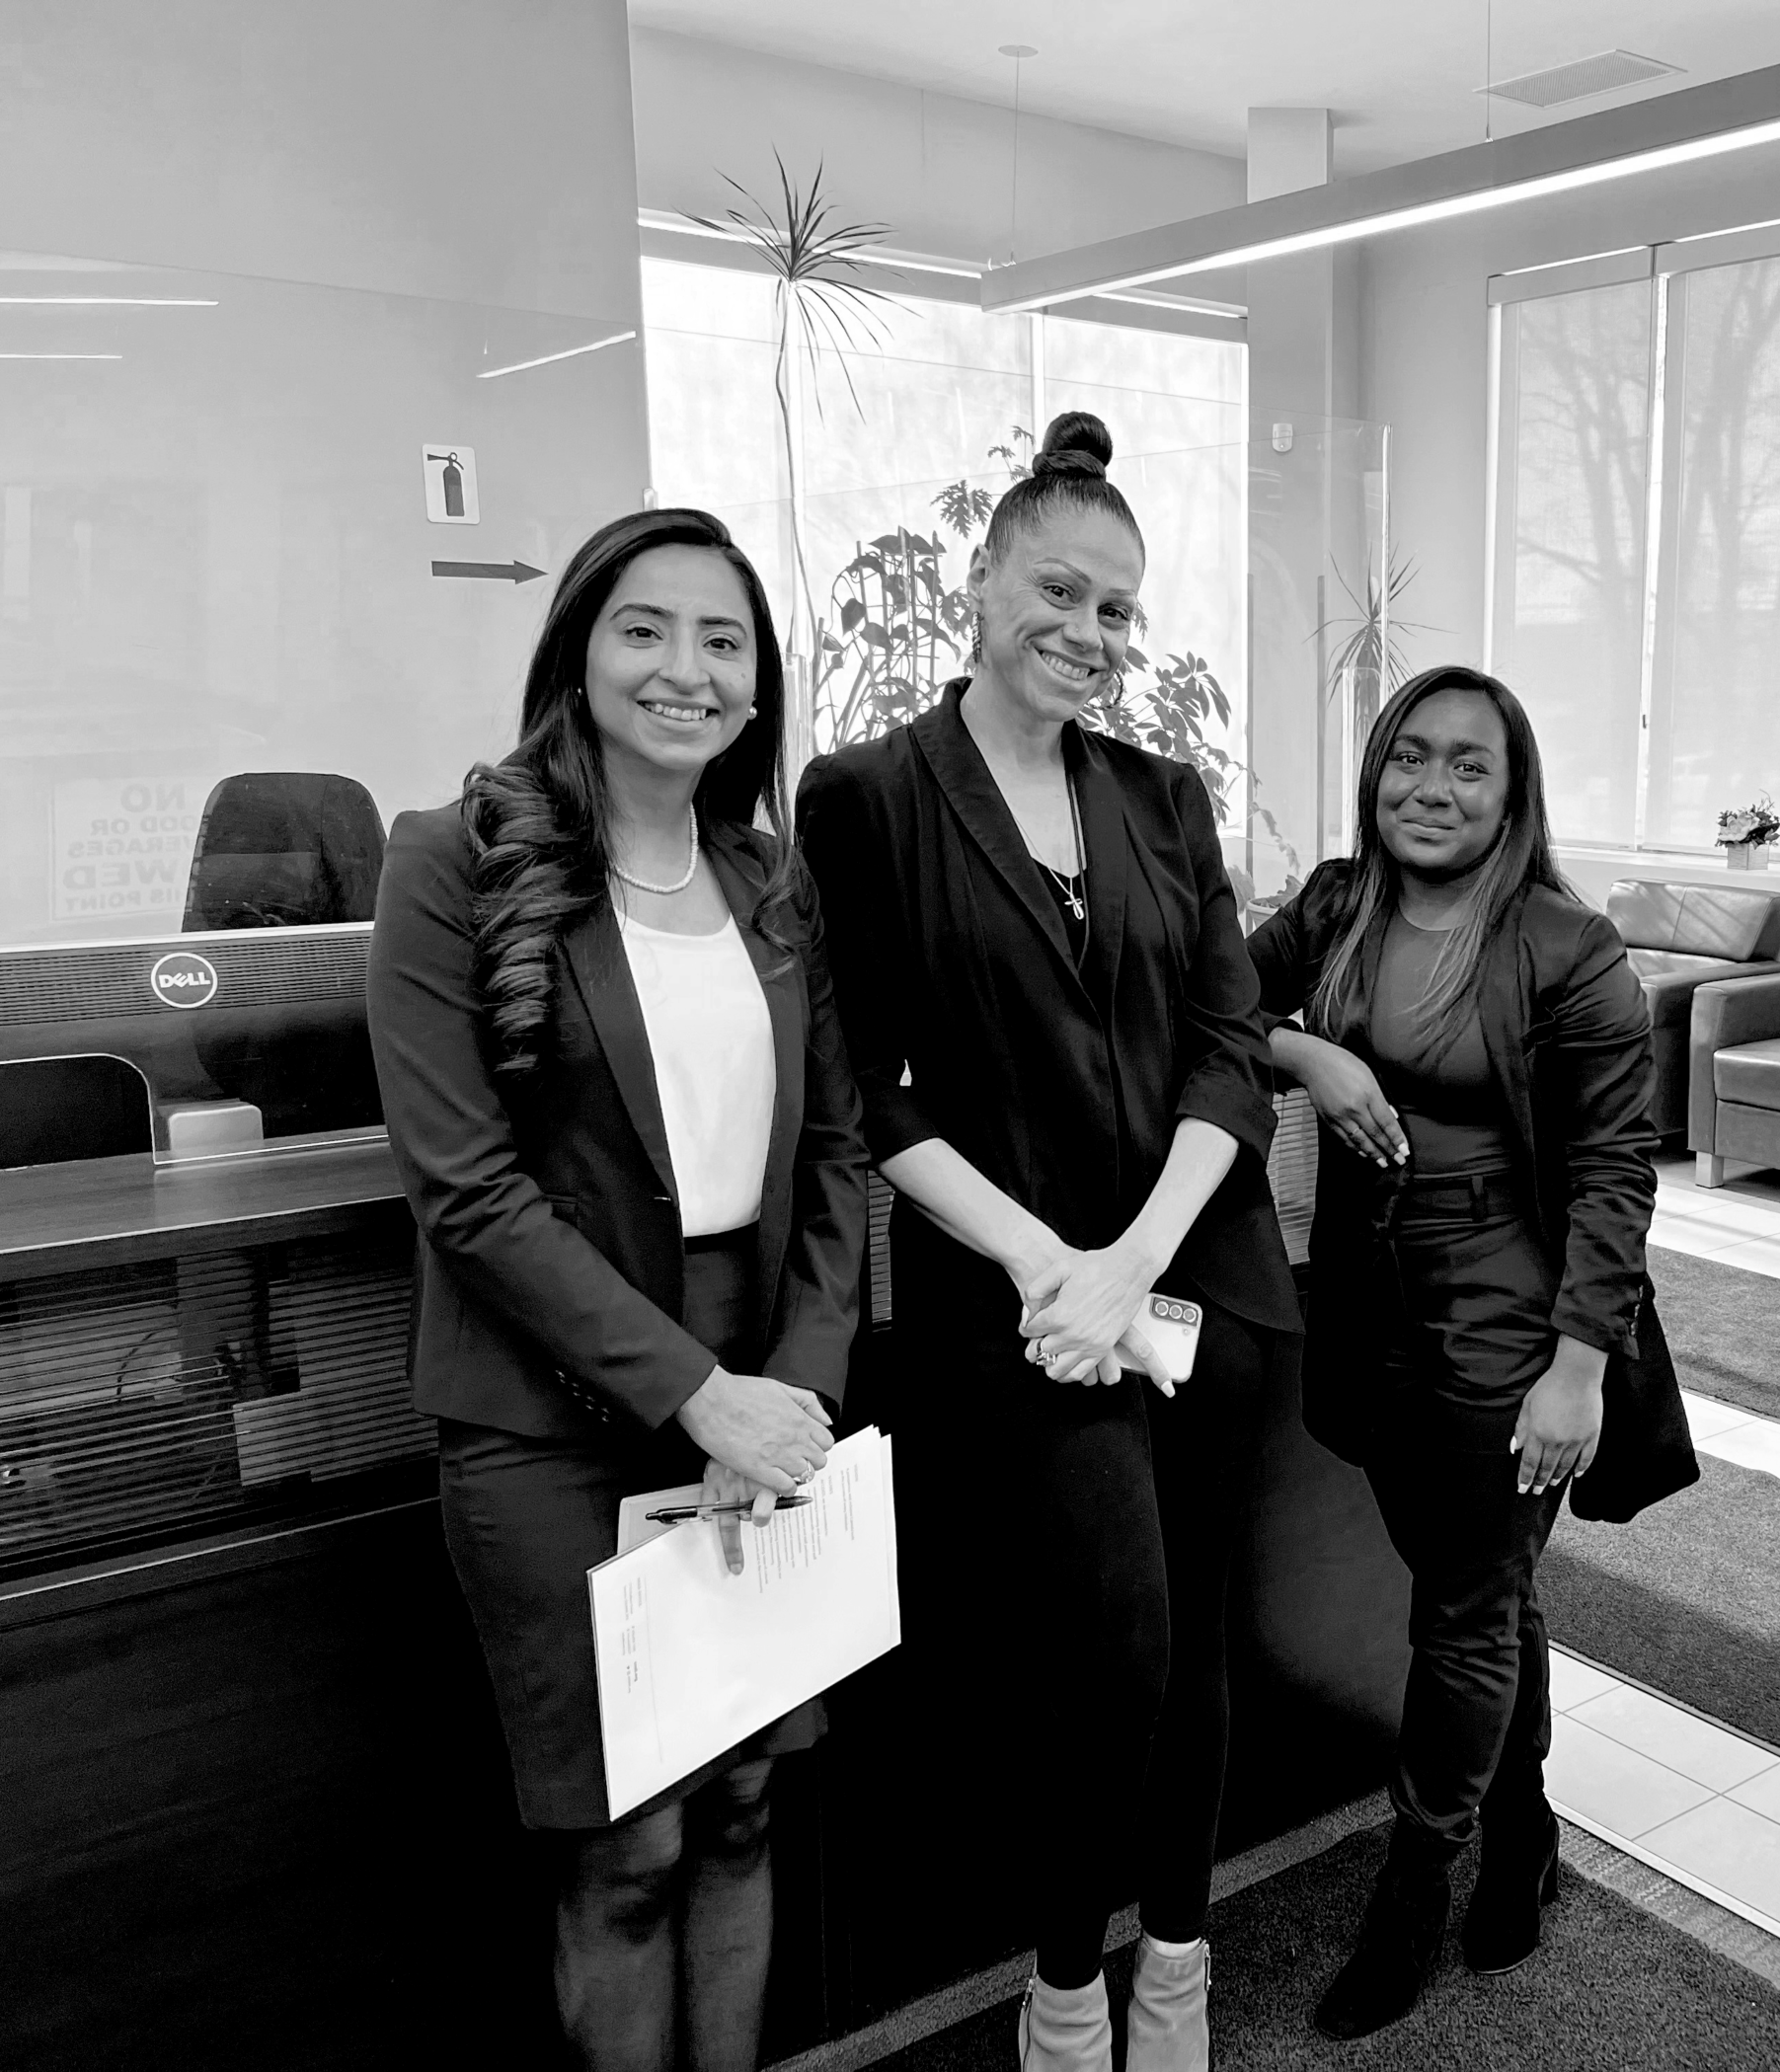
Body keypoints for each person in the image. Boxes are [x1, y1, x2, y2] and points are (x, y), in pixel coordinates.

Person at [796, 413, 1302, 2072]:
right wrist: (1050, 1267)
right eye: (1060, 590)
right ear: (984, 575)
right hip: (1017, 1300)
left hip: (1195, 1275)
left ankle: (1179, 1960)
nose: (1088, 634)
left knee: (1199, 1633)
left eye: (1118, 610)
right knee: (1112, 1641)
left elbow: (1232, 1047)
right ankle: (1064, 1979)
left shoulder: (1163, 795)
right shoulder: (868, 793)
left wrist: (1135, 1255)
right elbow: (868, 1082)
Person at [366, 508, 865, 2072]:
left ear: (757, 685)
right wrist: (694, 1393)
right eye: (645, 628)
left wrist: (792, 1389)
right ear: (578, 650)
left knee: (740, 1808)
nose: (685, 669)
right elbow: (469, 1190)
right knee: (628, 1846)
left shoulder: (771, 884)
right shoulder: (451, 862)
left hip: (761, 1407)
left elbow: (837, 1157)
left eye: (724, 640)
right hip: (549, 1423)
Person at [1246, 663, 1660, 2037]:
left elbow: (1616, 1170)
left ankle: (1415, 1887)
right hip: (1371, 1322)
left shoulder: (1563, 942)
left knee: (1462, 1614)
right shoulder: (1332, 905)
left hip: (1513, 1330)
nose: (1431, 786)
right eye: (1408, 757)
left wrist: (1580, 1367)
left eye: (1467, 765)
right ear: (1374, 770)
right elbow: (1218, 1022)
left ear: (1511, 790)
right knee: (1479, 1588)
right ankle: (1529, 1824)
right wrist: (1311, 1056)